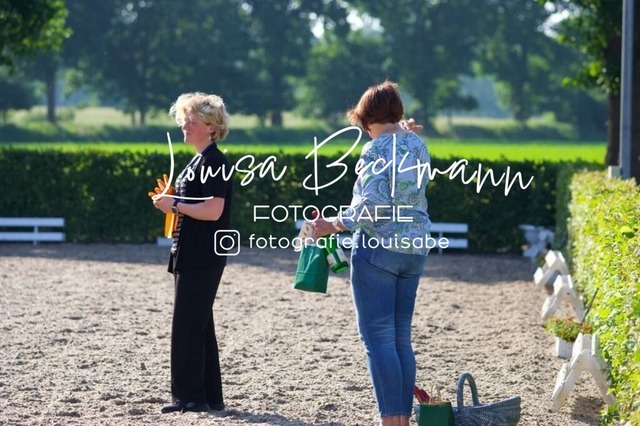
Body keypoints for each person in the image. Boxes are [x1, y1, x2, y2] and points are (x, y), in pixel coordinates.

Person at [312, 81, 431, 426]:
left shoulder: (374, 149)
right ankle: (402, 420)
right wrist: (403, 129)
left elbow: (372, 206)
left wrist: (333, 224)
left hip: (379, 249)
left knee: (378, 339)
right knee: (400, 338)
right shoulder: (418, 144)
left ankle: (392, 421)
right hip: (415, 248)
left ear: (366, 119)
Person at [151, 92, 233, 414]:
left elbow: (213, 210)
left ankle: (189, 398)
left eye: (191, 121)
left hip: (203, 253)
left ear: (211, 127)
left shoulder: (214, 162)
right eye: (184, 120)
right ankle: (210, 397)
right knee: (199, 325)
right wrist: (173, 200)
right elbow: (197, 204)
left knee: (187, 325)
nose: (184, 126)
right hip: (191, 250)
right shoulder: (200, 161)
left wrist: (174, 204)